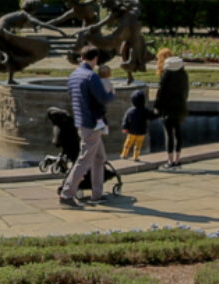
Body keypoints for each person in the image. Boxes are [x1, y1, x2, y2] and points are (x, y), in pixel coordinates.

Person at [60, 46, 113, 208]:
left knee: (99, 158)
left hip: (82, 122)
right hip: (92, 124)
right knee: (84, 160)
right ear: (95, 58)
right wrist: (112, 93)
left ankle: (97, 194)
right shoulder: (91, 76)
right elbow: (104, 98)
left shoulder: (74, 75)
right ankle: (67, 194)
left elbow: (72, 96)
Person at [152, 47, 190, 169]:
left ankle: (170, 161)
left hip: (167, 109)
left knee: (169, 134)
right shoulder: (183, 74)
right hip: (180, 107)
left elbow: (160, 92)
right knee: (177, 133)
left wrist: (157, 107)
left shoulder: (166, 74)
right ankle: (178, 160)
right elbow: (186, 91)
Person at [119, 86, 151, 161]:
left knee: (128, 143)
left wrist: (125, 128)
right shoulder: (145, 110)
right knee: (138, 145)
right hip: (141, 131)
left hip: (131, 131)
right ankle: (136, 157)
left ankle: (124, 154)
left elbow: (125, 120)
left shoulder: (130, 111)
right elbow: (151, 116)